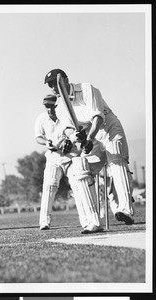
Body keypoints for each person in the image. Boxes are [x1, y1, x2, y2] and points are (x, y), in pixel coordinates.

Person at [44, 68, 134, 225]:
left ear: (65, 80)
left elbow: (98, 116)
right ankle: (92, 221)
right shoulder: (60, 107)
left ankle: (126, 209)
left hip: (108, 127)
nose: (53, 88)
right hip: (91, 135)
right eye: (50, 85)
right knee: (80, 168)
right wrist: (75, 138)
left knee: (116, 159)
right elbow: (69, 128)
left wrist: (89, 138)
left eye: (54, 83)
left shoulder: (86, 89)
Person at [35, 94, 103, 234]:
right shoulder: (41, 118)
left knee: (78, 188)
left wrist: (69, 139)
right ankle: (44, 221)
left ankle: (86, 221)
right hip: (53, 157)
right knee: (49, 187)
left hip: (71, 157)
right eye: (47, 106)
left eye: (52, 106)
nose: (49, 109)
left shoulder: (66, 117)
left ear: (57, 106)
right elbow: (38, 137)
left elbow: (73, 131)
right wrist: (47, 143)